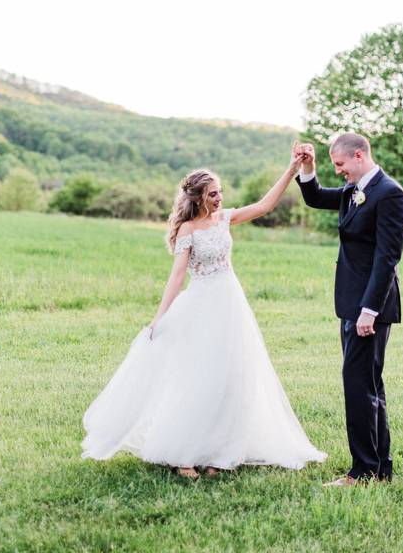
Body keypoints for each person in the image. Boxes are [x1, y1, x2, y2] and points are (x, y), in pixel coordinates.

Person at [81, 154, 326, 479]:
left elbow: (265, 205)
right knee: (197, 377)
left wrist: (292, 169)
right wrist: (159, 318)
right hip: (201, 305)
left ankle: (220, 453)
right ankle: (181, 453)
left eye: (220, 191)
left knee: (231, 377)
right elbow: (177, 276)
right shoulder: (187, 229)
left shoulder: (224, 219)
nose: (219, 197)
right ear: (197, 197)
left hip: (231, 305)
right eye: (213, 193)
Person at [295, 134, 403, 486]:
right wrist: (308, 167)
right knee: (368, 386)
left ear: (359, 156)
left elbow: (387, 257)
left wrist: (369, 310)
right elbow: (314, 197)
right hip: (351, 304)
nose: (339, 172)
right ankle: (379, 469)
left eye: (341, 165)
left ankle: (362, 472)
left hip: (369, 308)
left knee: (359, 387)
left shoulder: (389, 192)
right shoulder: (354, 190)